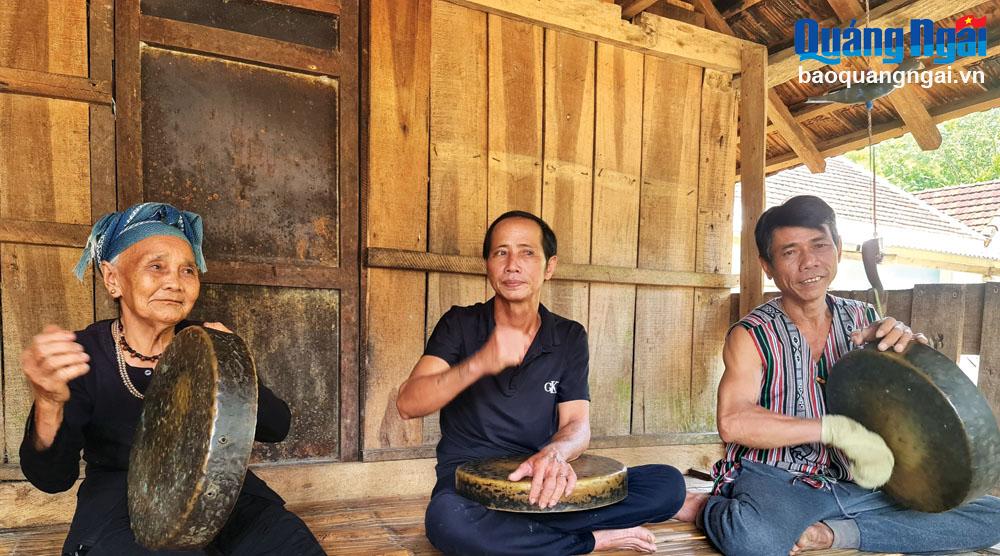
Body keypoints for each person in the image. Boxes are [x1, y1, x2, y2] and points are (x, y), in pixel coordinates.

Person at [694, 195, 1000, 555]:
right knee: (754, 540)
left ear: (838, 249)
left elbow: (908, 399)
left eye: (820, 245)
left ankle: (833, 534)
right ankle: (708, 507)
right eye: (790, 252)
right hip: (780, 481)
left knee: (993, 516)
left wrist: (913, 352)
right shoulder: (751, 334)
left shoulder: (864, 319)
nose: (809, 262)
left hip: (857, 484)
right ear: (767, 265)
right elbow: (733, 421)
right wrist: (834, 430)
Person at [19, 203, 325, 556]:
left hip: (222, 496)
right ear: (112, 278)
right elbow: (51, 480)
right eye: (156, 267)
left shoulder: (207, 345)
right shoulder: (81, 355)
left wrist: (239, 369)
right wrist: (49, 403)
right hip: (124, 505)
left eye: (187, 271)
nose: (174, 283)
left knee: (289, 543)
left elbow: (277, 428)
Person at [396, 210, 702, 555]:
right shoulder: (459, 324)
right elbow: (408, 404)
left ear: (549, 266)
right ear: (487, 264)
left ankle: (526, 538)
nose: (513, 264)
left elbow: (576, 425)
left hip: (546, 482)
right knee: (448, 521)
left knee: (668, 484)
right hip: (472, 492)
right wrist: (481, 362)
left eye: (527, 252)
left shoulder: (569, 336)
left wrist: (555, 455)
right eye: (501, 252)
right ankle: (591, 539)